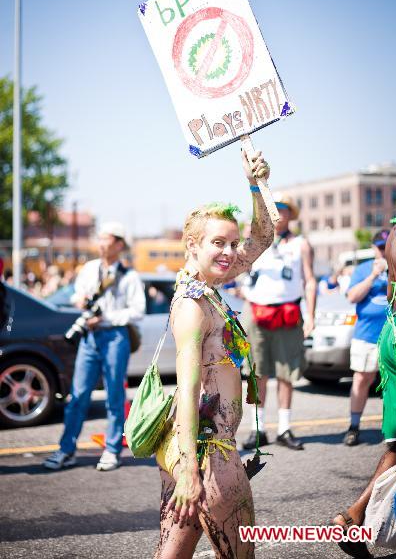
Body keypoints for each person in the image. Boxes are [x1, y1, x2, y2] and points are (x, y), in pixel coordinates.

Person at [154, 149, 273, 558]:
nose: (229, 252)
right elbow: (186, 390)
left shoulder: (207, 291)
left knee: (172, 553)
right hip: (209, 453)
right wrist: (189, 470)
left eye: (232, 242)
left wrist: (256, 185)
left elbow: (264, 236)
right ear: (192, 244)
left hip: (197, 449)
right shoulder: (192, 305)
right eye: (218, 243)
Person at [43, 222, 145, 471]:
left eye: (106, 239)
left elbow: (138, 311)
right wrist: (80, 301)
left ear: (119, 244)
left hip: (114, 337)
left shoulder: (129, 276)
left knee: (114, 396)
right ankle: (66, 449)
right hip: (89, 337)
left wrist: (107, 318)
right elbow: (77, 295)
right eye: (99, 239)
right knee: (77, 396)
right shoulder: (89, 269)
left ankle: (112, 450)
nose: (101, 244)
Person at [332, 221, 396, 559]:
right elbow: (355, 295)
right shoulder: (371, 263)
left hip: (391, 331)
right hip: (389, 333)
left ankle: (352, 517)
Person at [242, 193, 317, 451]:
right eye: (273, 209)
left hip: (288, 312)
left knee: (287, 372)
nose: (277, 213)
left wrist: (312, 315)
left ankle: (284, 427)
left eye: (282, 209)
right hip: (256, 311)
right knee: (257, 371)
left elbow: (310, 281)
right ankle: (258, 428)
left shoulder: (300, 244)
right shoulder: (253, 241)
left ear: (289, 214)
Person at [343, 230, 390, 446]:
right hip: (366, 335)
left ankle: (391, 428)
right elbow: (352, 296)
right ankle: (354, 426)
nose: (382, 251)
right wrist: (373, 275)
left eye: (386, 246)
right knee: (362, 380)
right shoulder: (363, 269)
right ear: (373, 248)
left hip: (391, 336)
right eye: (379, 247)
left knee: (392, 384)